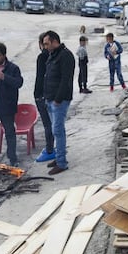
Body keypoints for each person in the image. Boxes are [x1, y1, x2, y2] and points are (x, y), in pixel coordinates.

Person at [42, 30, 75, 175]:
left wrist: (57, 99)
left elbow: (65, 80)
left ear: (55, 41)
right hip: (50, 99)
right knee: (56, 131)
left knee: (58, 130)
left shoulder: (65, 56)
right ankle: (58, 156)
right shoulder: (53, 55)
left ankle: (62, 162)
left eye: (47, 43)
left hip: (59, 101)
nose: (45, 47)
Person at [34, 32, 55, 162]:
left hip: (41, 95)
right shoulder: (54, 56)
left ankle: (49, 150)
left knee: (47, 124)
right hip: (49, 94)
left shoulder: (43, 57)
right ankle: (52, 148)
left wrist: (38, 95)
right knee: (52, 123)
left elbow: (40, 77)